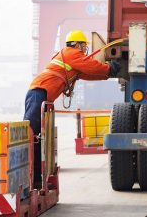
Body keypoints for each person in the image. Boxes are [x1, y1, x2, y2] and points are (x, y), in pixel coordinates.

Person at [24, 29, 121, 188]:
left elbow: (88, 74)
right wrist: (108, 68)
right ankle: (31, 181)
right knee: (33, 137)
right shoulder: (71, 53)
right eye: (83, 46)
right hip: (38, 94)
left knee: (38, 139)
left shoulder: (71, 60)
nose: (84, 50)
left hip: (40, 95)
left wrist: (107, 75)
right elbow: (90, 66)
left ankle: (36, 180)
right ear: (77, 44)